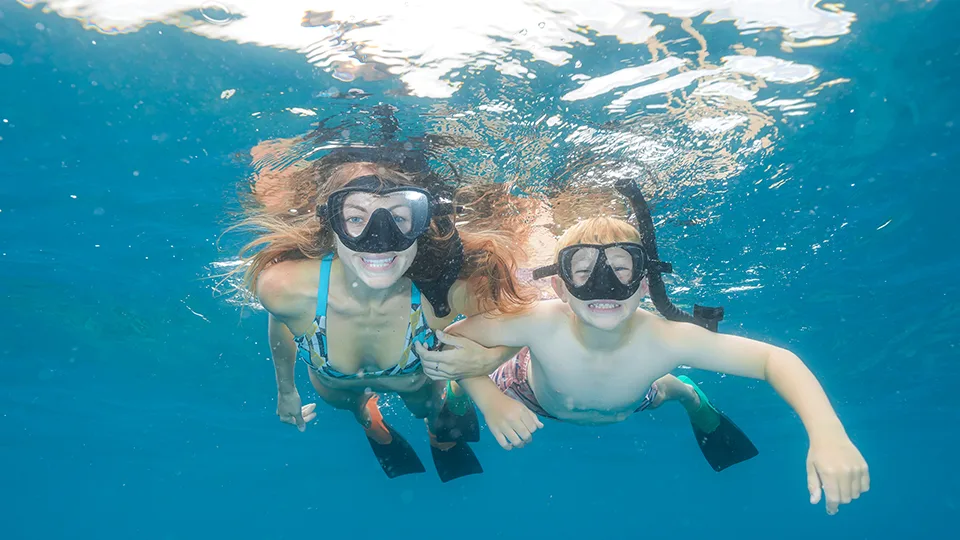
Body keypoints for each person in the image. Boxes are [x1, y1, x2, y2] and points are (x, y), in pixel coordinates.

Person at [417, 178, 869, 513]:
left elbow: (775, 360)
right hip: (527, 392)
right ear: (559, 286)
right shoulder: (540, 321)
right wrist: (489, 398)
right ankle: (459, 406)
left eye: (622, 268)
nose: (604, 285)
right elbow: (448, 340)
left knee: (671, 388)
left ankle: (691, 397)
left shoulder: (666, 339)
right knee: (460, 376)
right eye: (582, 270)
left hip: (636, 399)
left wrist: (827, 433)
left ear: (645, 281)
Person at [230, 142, 538, 482]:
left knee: (425, 408)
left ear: (420, 226)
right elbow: (281, 323)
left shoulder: (442, 294)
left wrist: (488, 367)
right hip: (336, 388)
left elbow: (522, 320)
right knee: (353, 406)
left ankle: (440, 421)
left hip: (415, 383)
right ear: (331, 225)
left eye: (399, 219)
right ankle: (371, 421)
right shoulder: (284, 287)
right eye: (356, 219)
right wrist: (286, 390)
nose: (380, 238)